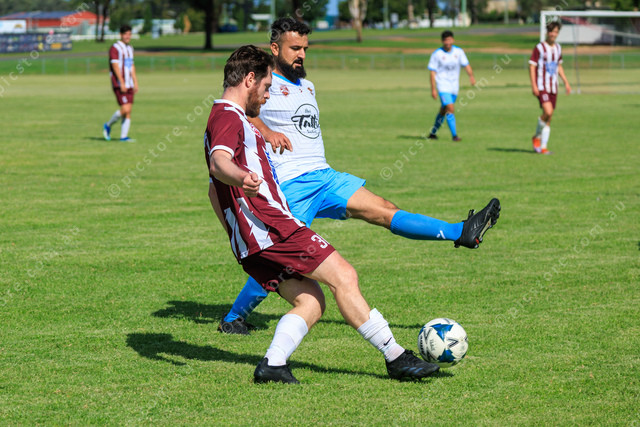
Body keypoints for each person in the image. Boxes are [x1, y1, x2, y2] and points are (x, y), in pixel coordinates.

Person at [218, 18, 500, 335]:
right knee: (279, 259)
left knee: (382, 209)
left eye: (305, 48)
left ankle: (461, 231)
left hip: (325, 177)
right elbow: (238, 113)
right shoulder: (263, 85)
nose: (302, 55)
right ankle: (233, 318)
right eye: (294, 48)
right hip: (290, 185)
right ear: (274, 48)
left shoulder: (308, 85)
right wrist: (267, 132)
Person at [206, 45, 441, 383]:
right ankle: (396, 357)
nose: (268, 96)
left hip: (254, 239)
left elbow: (213, 190)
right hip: (273, 228)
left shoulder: (226, 118)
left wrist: (237, 236)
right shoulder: (229, 116)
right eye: (267, 87)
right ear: (249, 79)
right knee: (344, 276)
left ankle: (272, 365)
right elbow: (219, 164)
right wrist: (243, 179)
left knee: (312, 302)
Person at [529, 21, 571, 155]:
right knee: (548, 112)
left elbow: (559, 66)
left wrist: (566, 82)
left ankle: (543, 147)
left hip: (553, 86)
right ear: (547, 32)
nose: (553, 34)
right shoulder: (539, 48)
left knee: (549, 117)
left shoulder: (558, 48)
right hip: (542, 86)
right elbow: (532, 66)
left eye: (555, 32)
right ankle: (536, 137)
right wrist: (534, 85)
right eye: (551, 31)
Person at [427, 30, 476, 142]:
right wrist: (433, 89)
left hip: (454, 86)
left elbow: (466, 64)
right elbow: (432, 72)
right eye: (445, 40)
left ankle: (433, 133)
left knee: (443, 110)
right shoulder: (437, 54)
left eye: (449, 39)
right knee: (450, 108)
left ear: (453, 40)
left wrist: (471, 76)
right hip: (442, 85)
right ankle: (455, 136)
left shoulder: (459, 52)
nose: (447, 42)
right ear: (442, 41)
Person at [103, 25, 138, 143]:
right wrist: (121, 82)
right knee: (125, 109)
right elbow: (115, 66)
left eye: (129, 34)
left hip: (129, 83)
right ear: (121, 35)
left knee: (128, 110)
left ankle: (124, 137)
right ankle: (108, 125)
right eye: (125, 34)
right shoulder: (115, 48)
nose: (128, 36)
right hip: (119, 83)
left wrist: (135, 81)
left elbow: (131, 65)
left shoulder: (130, 48)